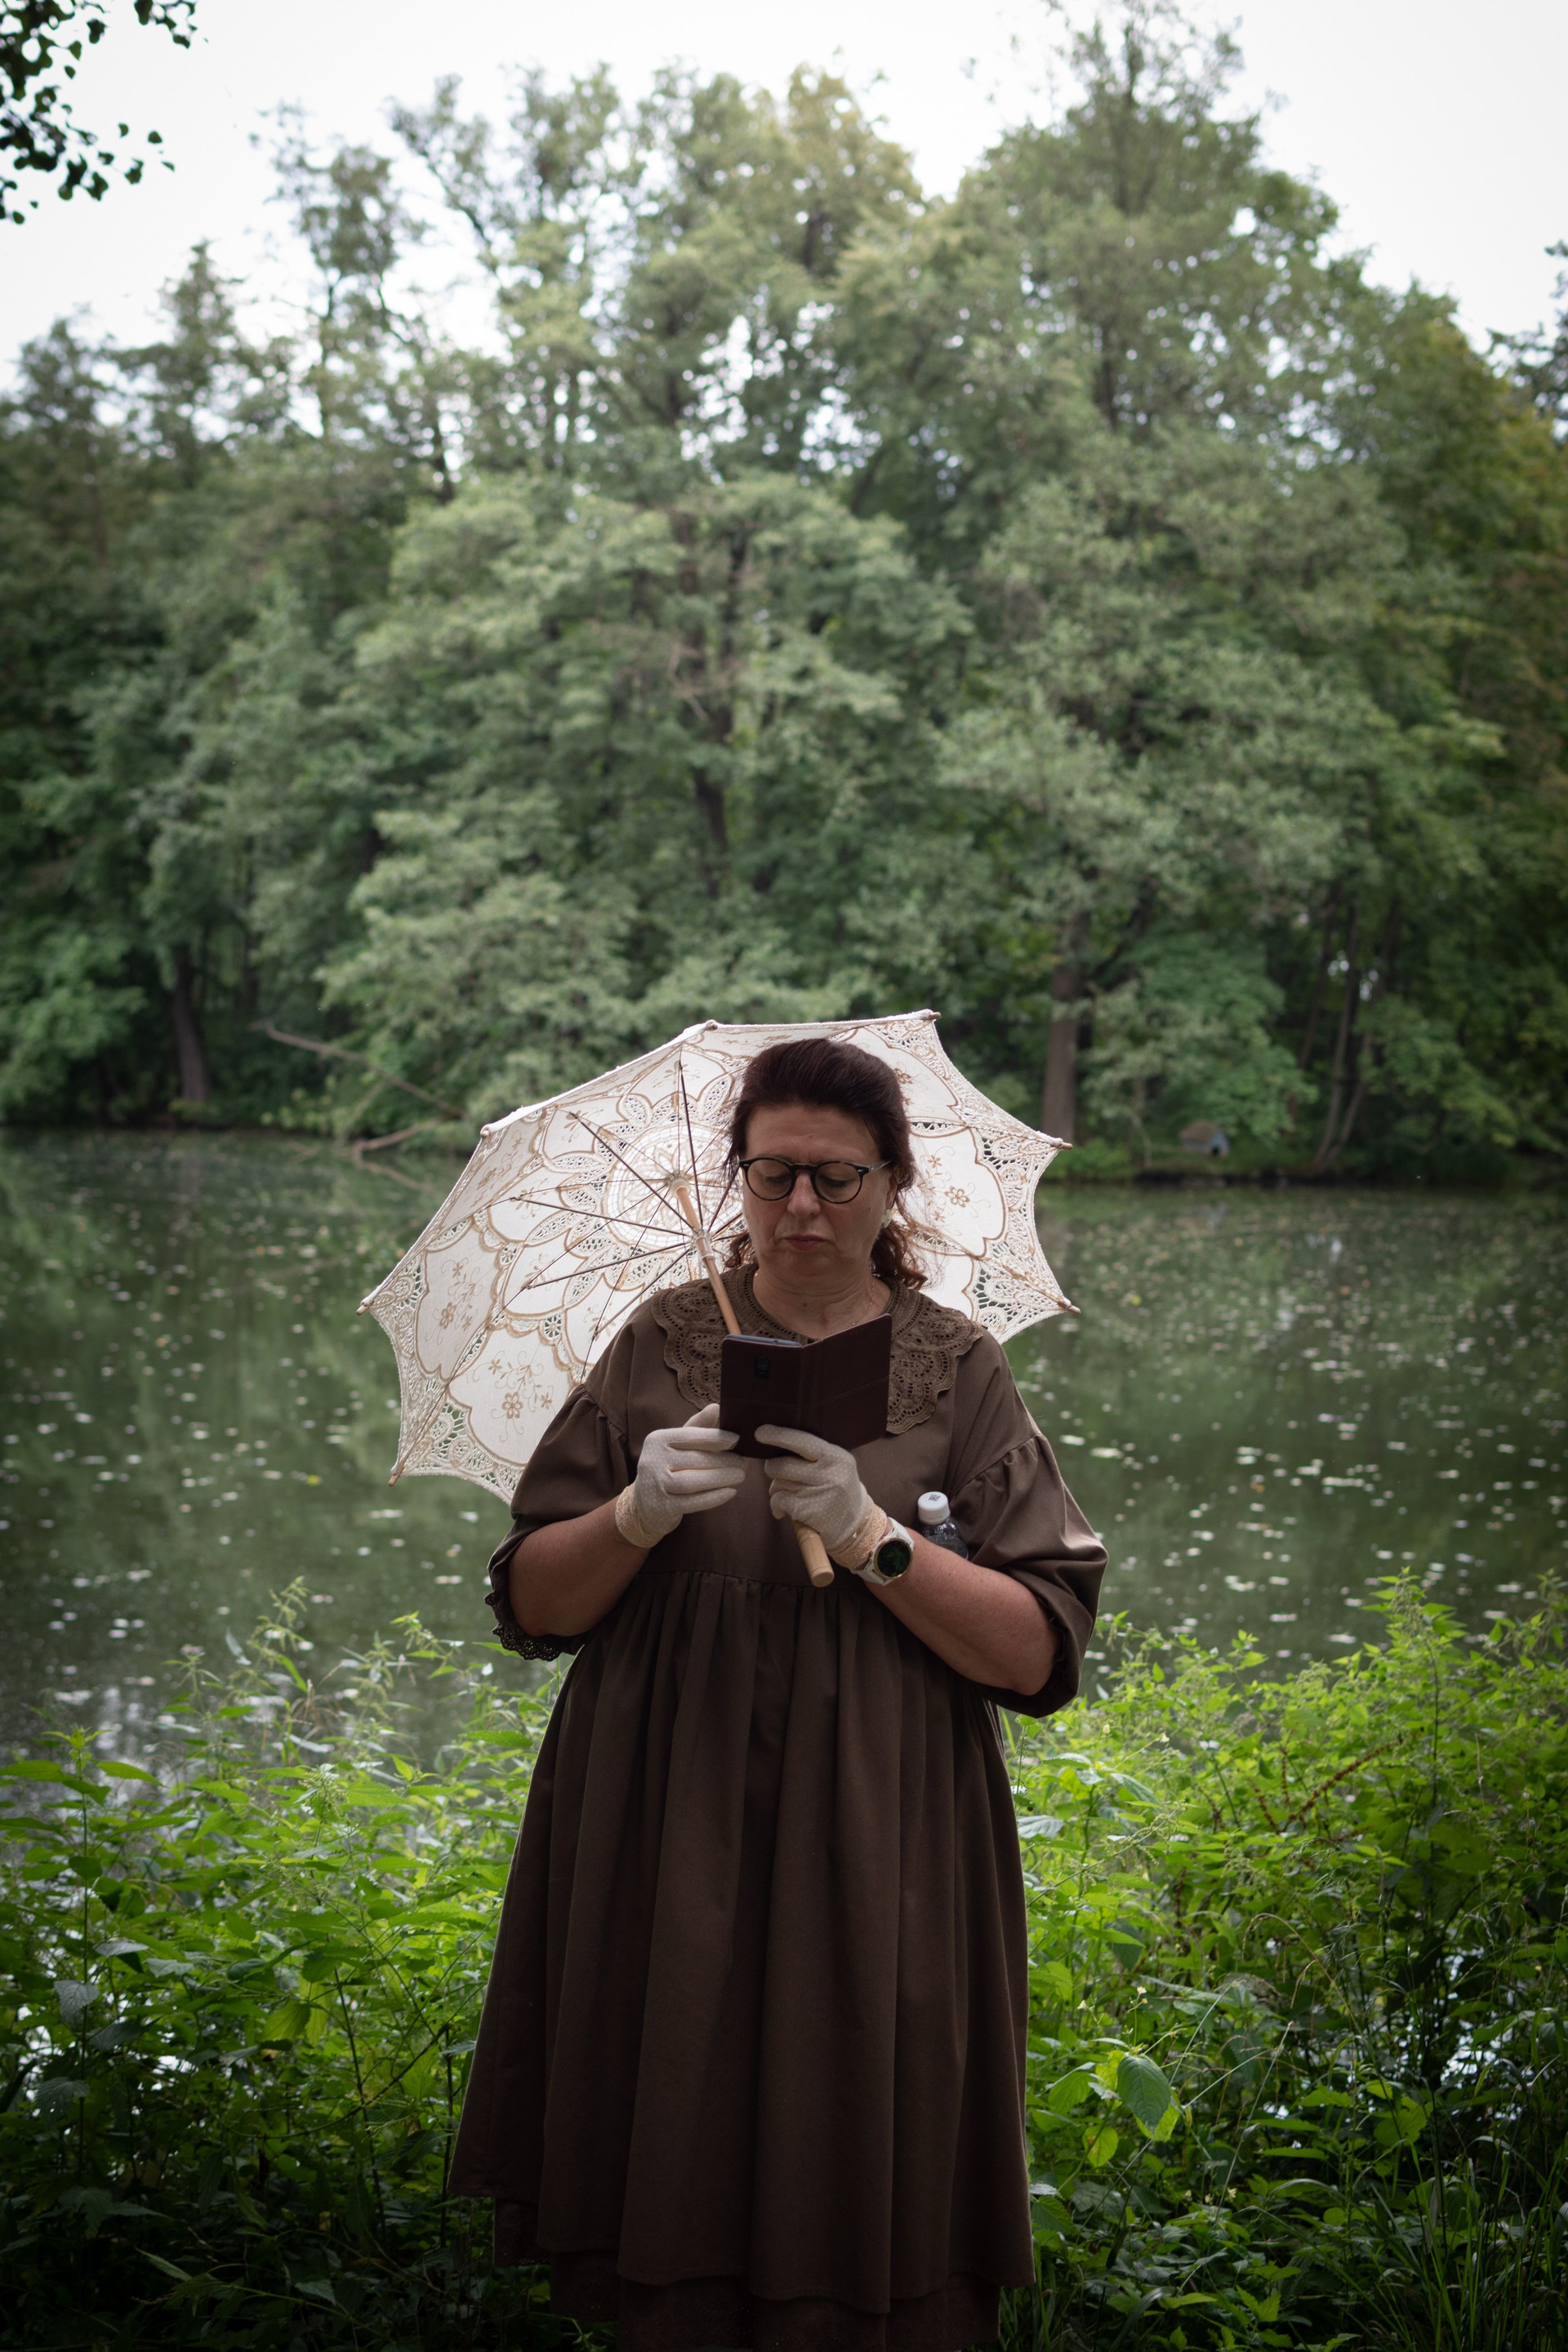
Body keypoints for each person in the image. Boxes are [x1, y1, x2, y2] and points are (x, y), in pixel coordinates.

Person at [449, 1036, 1107, 2352]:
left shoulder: (956, 1365)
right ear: (735, 1180)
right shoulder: (659, 1342)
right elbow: (535, 1605)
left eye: (836, 1177)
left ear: (894, 1182)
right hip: (664, 1808)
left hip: (883, 1818)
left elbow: (1038, 1653)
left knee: (857, 2095)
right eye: (772, 1174)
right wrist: (633, 1515)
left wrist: (877, 1539)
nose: (802, 1205)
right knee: (669, 2092)